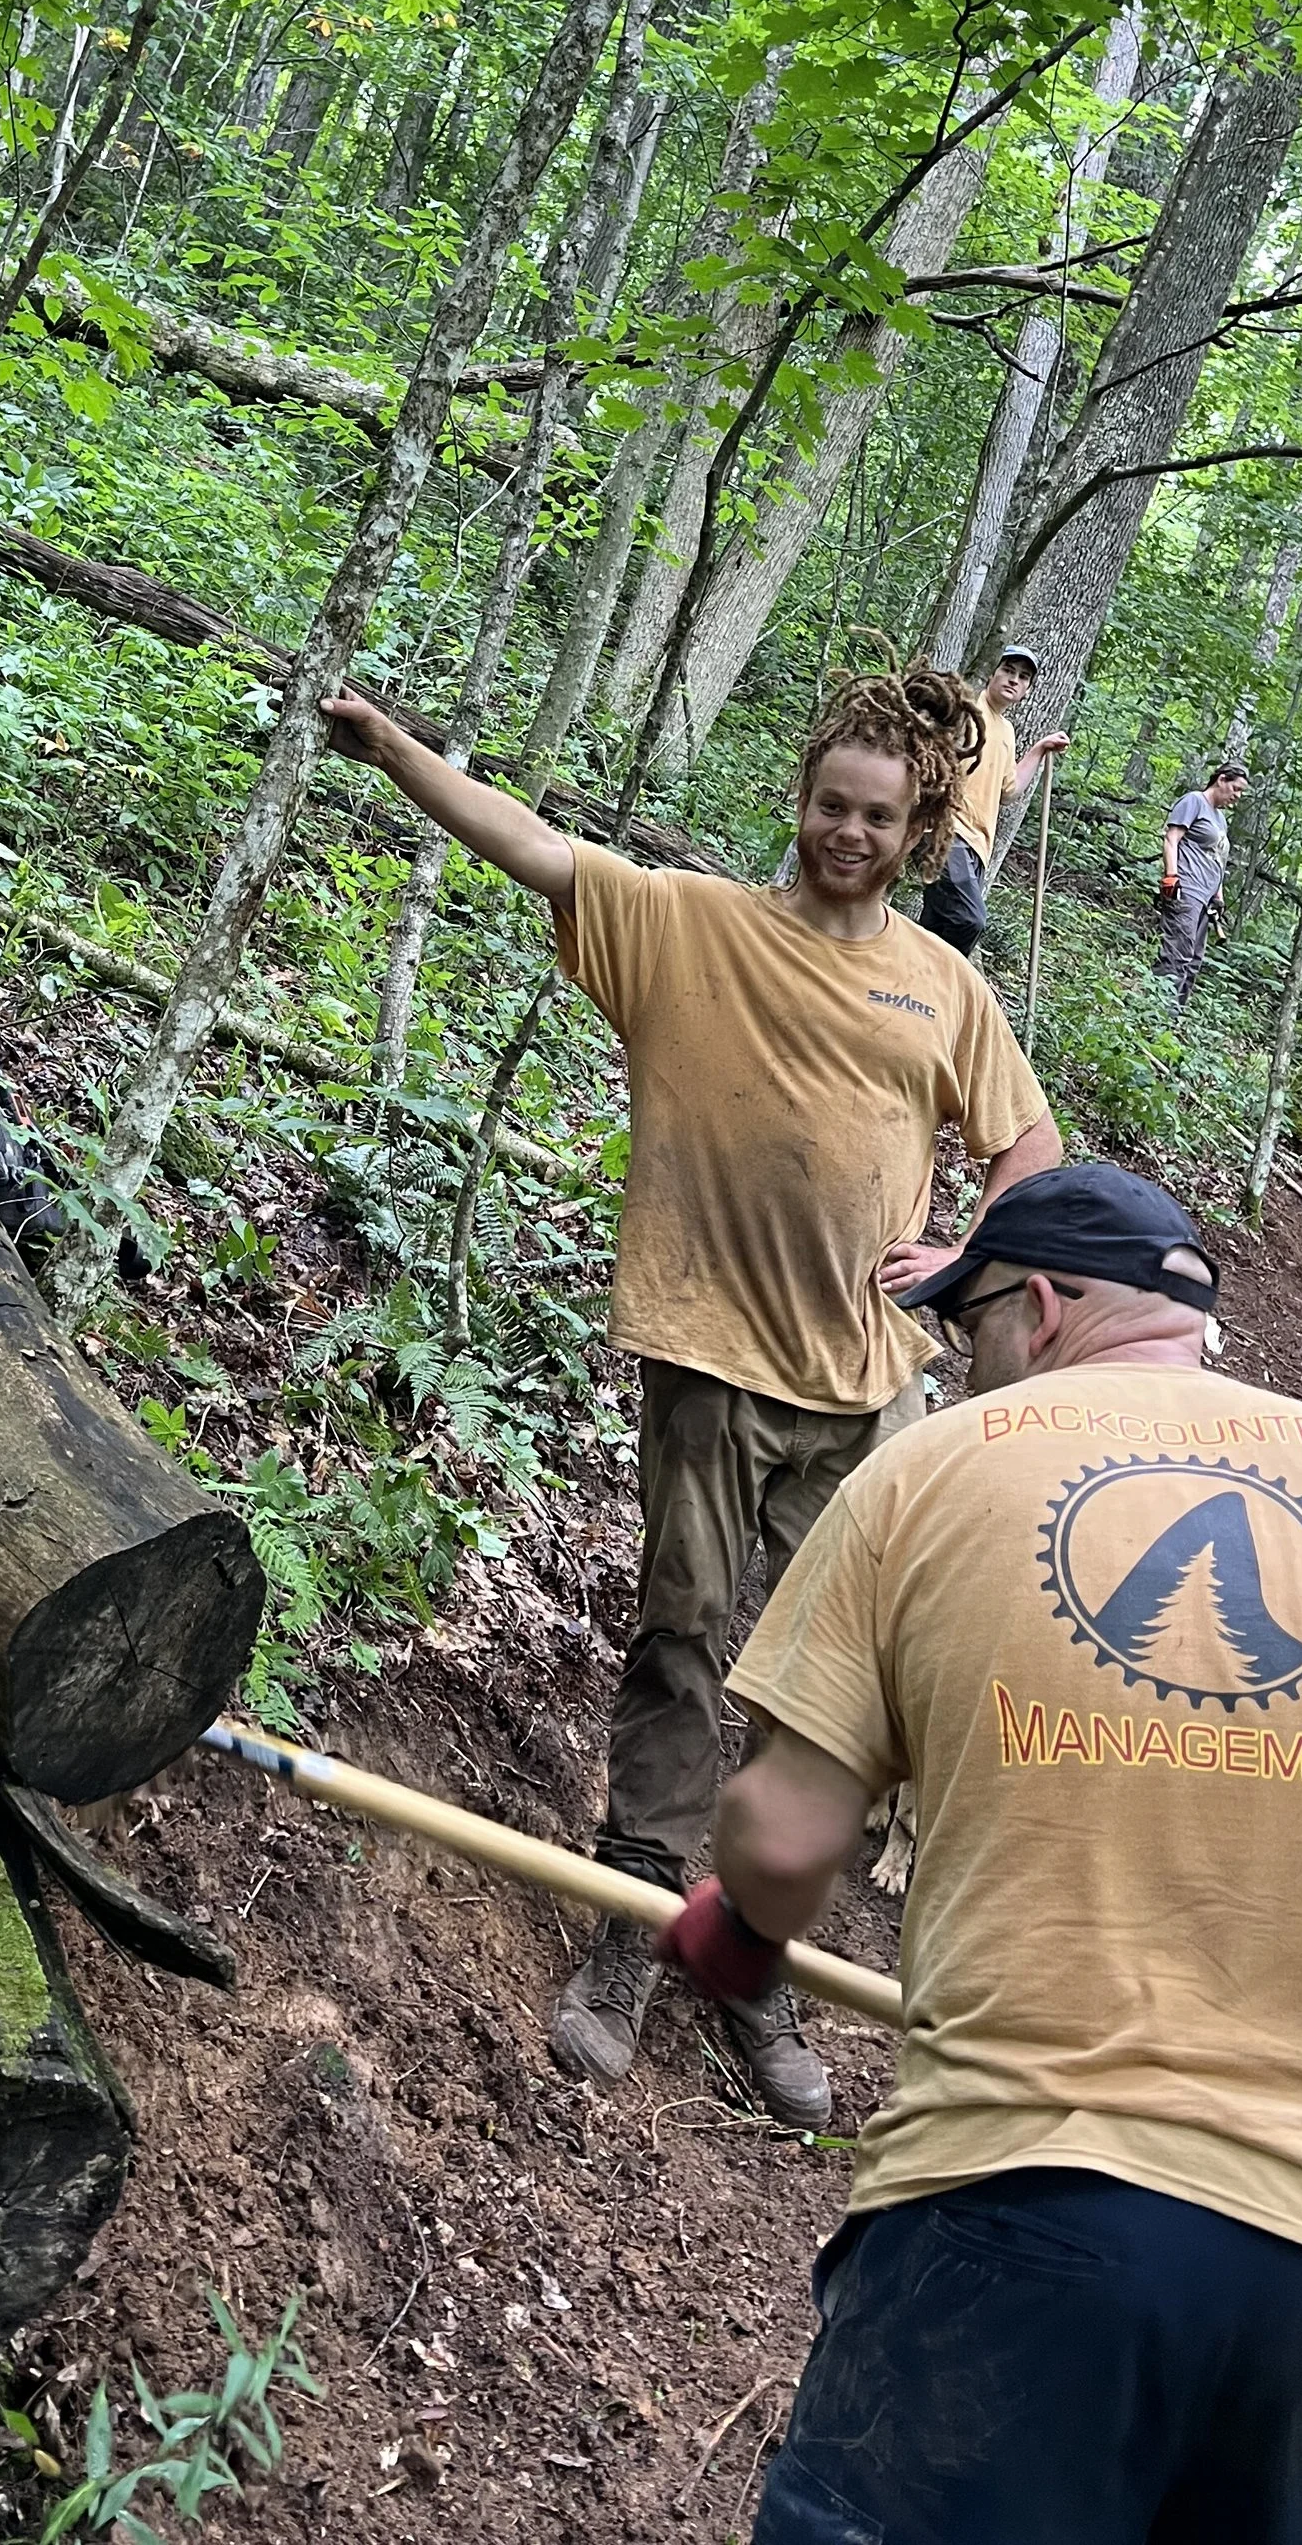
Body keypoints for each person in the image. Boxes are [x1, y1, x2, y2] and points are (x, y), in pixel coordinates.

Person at [649, 1160, 1302, 2545]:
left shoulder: (929, 1472)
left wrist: (740, 1933)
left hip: (1019, 2228)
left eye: (963, 1323)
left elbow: (786, 1830)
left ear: (1037, 1309)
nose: (956, 1358)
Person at [321, 663, 1061, 2127]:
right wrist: (393, 742)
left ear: (918, 829)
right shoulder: (687, 925)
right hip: (713, 1367)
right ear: (798, 800)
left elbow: (1026, 1146)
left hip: (861, 1393)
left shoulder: (944, 986)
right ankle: (627, 1925)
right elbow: (528, 843)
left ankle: (750, 1955)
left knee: (831, 1697)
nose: (845, 831)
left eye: (876, 815)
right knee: (681, 1646)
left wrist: (972, 1245)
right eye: (827, 803)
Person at [916, 644, 1068, 958]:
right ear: (993, 673)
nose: (1014, 680)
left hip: (977, 846)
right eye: (1008, 671)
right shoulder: (966, 709)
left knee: (934, 928)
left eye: (1023, 677)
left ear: (1027, 690)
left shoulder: (1007, 731)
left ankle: (908, 986)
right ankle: (943, 986)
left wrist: (1039, 750)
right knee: (970, 919)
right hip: (946, 831)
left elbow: (1009, 790)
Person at [1158, 758, 1247, 1001]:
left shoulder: (1221, 819)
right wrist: (1171, 876)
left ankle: (1174, 1017)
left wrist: (1218, 896)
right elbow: (1171, 838)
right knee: (1178, 952)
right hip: (1186, 889)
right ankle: (1158, 1010)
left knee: (1194, 960)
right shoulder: (1194, 801)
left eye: (1241, 791)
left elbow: (1217, 858)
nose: (1237, 795)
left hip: (1206, 899)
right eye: (1236, 788)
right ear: (1221, 780)